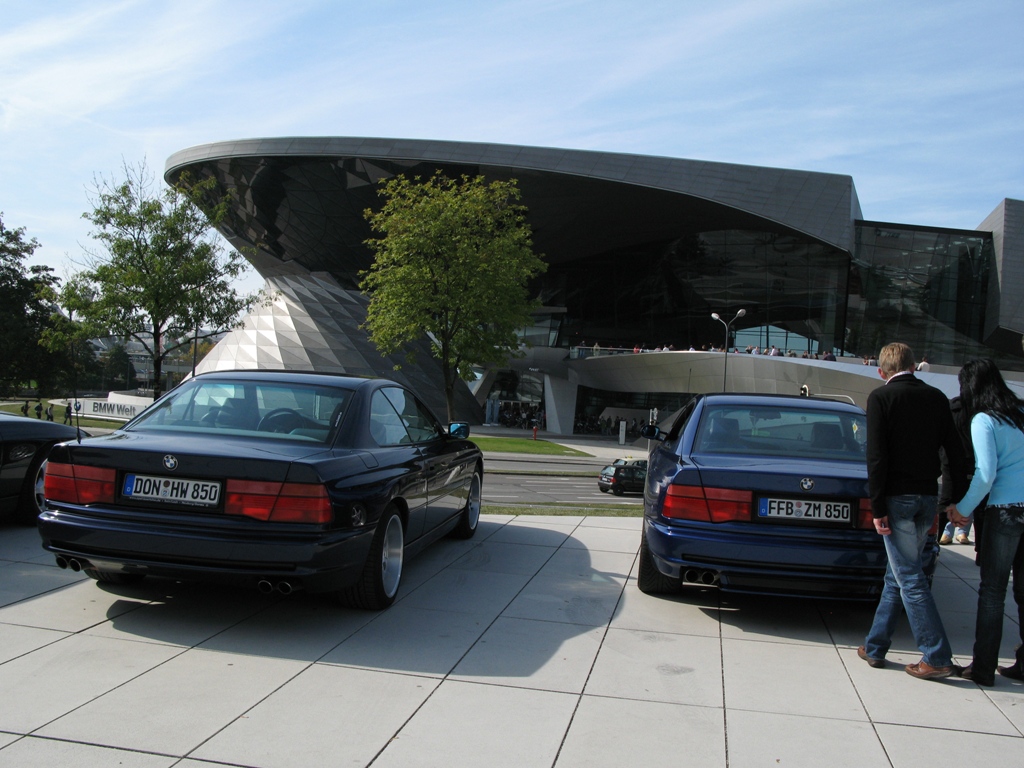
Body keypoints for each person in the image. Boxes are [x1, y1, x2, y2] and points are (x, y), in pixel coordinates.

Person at [859, 342, 966, 680]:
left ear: (882, 371)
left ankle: (937, 656)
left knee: (909, 578)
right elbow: (954, 452)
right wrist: (953, 499)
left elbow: (876, 457)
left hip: (896, 498)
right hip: (926, 496)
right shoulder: (937, 398)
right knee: (899, 575)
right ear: (914, 366)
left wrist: (877, 505)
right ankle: (875, 646)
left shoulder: (881, 398)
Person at [946, 359, 1024, 686]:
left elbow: (986, 474)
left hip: (1004, 510)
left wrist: (961, 509)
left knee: (993, 590)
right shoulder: (1021, 414)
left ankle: (983, 667)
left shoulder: (984, 420)